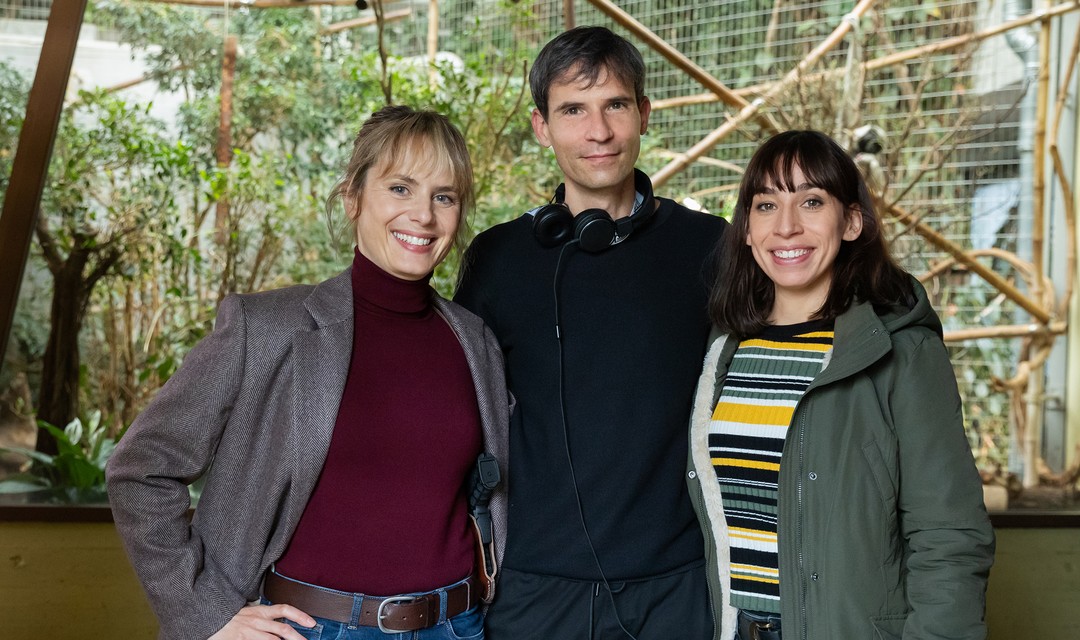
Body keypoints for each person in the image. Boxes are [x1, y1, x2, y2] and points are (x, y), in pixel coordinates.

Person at [107, 105, 512, 640]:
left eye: (444, 196)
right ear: (352, 199)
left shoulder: (473, 339)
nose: (423, 215)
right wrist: (204, 616)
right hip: (314, 628)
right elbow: (140, 468)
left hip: (458, 626)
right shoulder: (265, 328)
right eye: (399, 189)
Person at [455, 26, 727, 639]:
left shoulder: (712, 247)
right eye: (573, 109)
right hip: (531, 585)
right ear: (541, 127)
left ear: (644, 115)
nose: (598, 131)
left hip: (676, 586)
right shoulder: (498, 257)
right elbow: (458, 413)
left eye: (615, 106)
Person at [687, 130, 995, 640]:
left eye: (811, 201)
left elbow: (949, 535)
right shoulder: (724, 351)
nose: (786, 227)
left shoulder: (902, 353)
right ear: (745, 229)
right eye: (766, 205)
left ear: (852, 221)